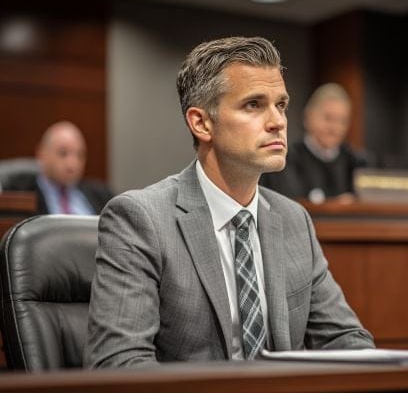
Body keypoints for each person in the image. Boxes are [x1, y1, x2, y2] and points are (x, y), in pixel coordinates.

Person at [85, 36, 374, 368]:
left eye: (280, 105)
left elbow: (345, 340)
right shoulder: (140, 220)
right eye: (254, 104)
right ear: (201, 123)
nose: (278, 122)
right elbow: (118, 366)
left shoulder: (294, 219)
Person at [260, 83, 368, 203]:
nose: (334, 128)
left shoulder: (356, 161)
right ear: (308, 117)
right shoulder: (287, 160)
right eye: (328, 118)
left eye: (342, 121)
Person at [1, 121, 113, 215]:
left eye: (80, 155)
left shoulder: (102, 195)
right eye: (63, 153)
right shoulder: (19, 196)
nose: (72, 164)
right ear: (41, 154)